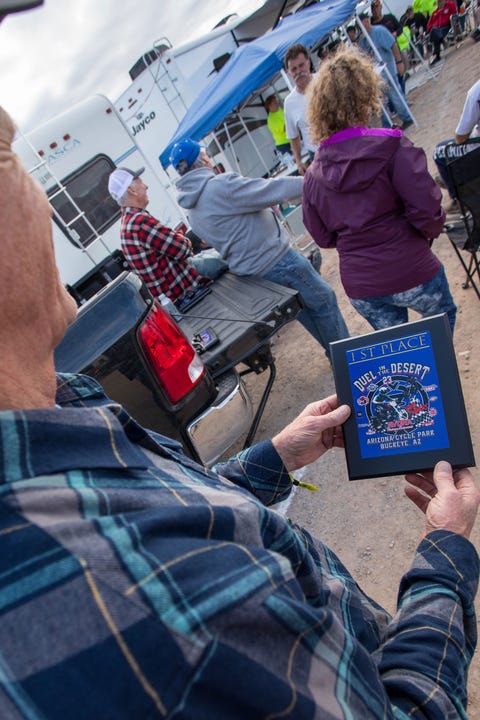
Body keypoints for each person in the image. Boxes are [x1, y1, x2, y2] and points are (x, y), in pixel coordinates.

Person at [1, 103, 479, 719]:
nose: (40, 197)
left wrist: (275, 456)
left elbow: (181, 509)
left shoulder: (60, 411)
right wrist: (444, 552)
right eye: (8, 153)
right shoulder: (138, 600)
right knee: (331, 315)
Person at [302, 45, 457, 333]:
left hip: (363, 284)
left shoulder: (313, 175)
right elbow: (427, 209)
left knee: (397, 354)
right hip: (411, 265)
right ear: (366, 94)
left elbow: (322, 236)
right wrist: (421, 236)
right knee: (441, 329)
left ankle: (416, 378)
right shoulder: (391, 146)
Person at [170, 138, 349, 362]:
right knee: (324, 300)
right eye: (206, 156)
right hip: (278, 260)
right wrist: (315, 182)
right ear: (203, 160)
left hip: (255, 275)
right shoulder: (219, 186)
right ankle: (349, 361)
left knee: (305, 310)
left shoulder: (191, 211)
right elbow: (271, 190)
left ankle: (337, 357)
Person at [108, 166, 227, 304]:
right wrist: (183, 238)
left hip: (172, 289)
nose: (146, 186)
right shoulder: (140, 222)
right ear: (131, 190)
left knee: (213, 253)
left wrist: (178, 237)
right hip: (185, 287)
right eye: (141, 182)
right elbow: (183, 249)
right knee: (228, 255)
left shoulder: (127, 222)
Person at [358, 12, 414, 129]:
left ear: (367, 21)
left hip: (388, 70)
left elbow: (393, 45)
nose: (362, 28)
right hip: (376, 76)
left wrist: (399, 62)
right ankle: (387, 126)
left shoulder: (379, 31)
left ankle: (406, 117)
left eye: (364, 23)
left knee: (395, 95)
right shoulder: (362, 41)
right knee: (381, 102)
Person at [433, 78, 480, 213]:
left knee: (440, 151)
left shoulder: (476, 91)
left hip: (477, 150)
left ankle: (458, 200)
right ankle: (451, 180)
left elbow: (460, 137)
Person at [283, 43, 317, 175]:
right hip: (317, 156)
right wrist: (298, 161)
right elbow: (293, 136)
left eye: (301, 65)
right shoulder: (289, 103)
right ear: (289, 73)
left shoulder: (325, 81)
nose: (298, 72)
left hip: (340, 144)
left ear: (308, 63)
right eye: (293, 69)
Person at [426, 0, 457, 64]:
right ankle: (442, 40)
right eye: (439, 2)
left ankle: (437, 56)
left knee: (435, 34)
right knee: (434, 30)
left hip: (446, 27)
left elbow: (454, 14)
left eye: (441, 1)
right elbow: (428, 25)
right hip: (436, 30)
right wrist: (432, 28)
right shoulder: (434, 12)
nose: (440, 3)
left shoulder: (449, 6)